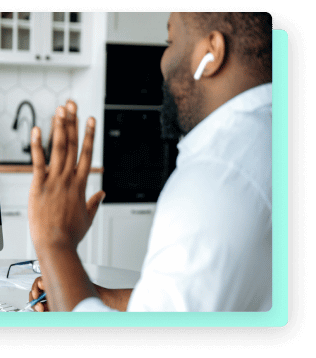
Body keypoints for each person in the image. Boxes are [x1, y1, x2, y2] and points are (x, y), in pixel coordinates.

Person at [28, 12, 272, 312]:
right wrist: (88, 294)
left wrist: (55, 242)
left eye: (170, 41)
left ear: (212, 51)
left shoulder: (216, 178)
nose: (162, 61)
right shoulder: (269, 135)